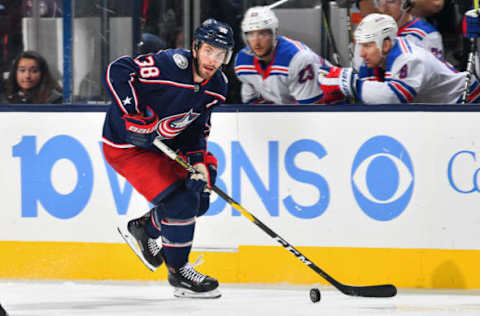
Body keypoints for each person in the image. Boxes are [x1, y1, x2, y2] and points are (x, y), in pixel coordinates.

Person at [102, 18, 234, 298]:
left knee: (198, 198)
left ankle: (145, 227)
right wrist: (134, 113)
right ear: (196, 48)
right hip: (128, 148)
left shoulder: (218, 86)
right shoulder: (170, 65)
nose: (213, 59)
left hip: (167, 144)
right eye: (209, 50)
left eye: (220, 54)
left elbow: (196, 127)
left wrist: (198, 164)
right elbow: (120, 70)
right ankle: (179, 272)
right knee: (181, 202)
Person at [318, 13, 480, 104]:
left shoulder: (410, 59)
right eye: (362, 46)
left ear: (386, 45)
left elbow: (393, 98)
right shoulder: (376, 57)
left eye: (367, 46)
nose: (362, 53)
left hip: (466, 102)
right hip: (441, 110)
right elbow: (369, 101)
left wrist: (350, 84)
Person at [234, 5, 331, 104]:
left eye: (263, 34)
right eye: (251, 35)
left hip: (331, 111)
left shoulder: (298, 58)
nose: (256, 42)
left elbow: (310, 109)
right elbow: (252, 103)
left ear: (275, 34)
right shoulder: (243, 60)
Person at [374, 0, 444, 58]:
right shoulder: (377, 30)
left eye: (391, 1)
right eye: (379, 2)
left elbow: (433, 73)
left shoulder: (426, 35)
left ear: (405, 4)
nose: (383, 8)